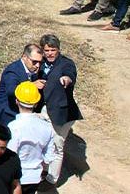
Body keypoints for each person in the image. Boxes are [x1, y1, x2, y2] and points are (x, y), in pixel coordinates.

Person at [37, 34, 82, 186]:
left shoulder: (66, 63)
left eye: (53, 50)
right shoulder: (41, 63)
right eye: (47, 50)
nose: (50, 53)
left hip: (61, 113)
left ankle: (52, 180)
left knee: (57, 146)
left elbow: (70, 74)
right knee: (43, 140)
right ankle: (43, 171)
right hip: (45, 109)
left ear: (58, 50)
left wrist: (66, 79)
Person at [6, 82, 55, 194]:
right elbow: (48, 157)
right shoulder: (47, 127)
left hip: (15, 178)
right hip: (34, 178)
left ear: (16, 101)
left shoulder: (14, 127)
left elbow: (10, 154)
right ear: (36, 103)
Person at [0, 44, 43, 128]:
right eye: (34, 62)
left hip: (17, 117)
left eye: (40, 62)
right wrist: (32, 85)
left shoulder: (32, 70)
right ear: (24, 57)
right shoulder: (13, 71)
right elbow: (11, 91)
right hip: (2, 116)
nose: (37, 65)